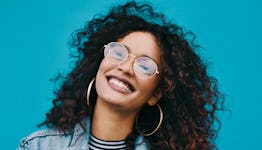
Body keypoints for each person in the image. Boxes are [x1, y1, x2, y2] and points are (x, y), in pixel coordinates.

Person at [17, 1, 224, 150]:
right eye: (118, 53)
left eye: (145, 66)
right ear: (100, 63)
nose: (125, 67)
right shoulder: (39, 146)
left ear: (156, 94)